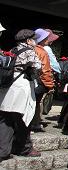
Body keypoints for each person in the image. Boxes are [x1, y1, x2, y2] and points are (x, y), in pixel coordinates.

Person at [0, 29, 42, 162]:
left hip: (9, 86)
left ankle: (3, 151)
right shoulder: (29, 51)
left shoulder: (12, 50)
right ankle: (24, 148)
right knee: (23, 118)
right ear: (28, 40)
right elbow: (38, 66)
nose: (35, 41)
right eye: (33, 39)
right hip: (21, 88)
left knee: (6, 118)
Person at [31, 29, 55, 132]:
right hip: (39, 83)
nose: (47, 39)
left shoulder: (30, 49)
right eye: (45, 37)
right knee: (35, 104)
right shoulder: (42, 51)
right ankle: (32, 125)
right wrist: (49, 85)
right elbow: (45, 71)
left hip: (28, 81)